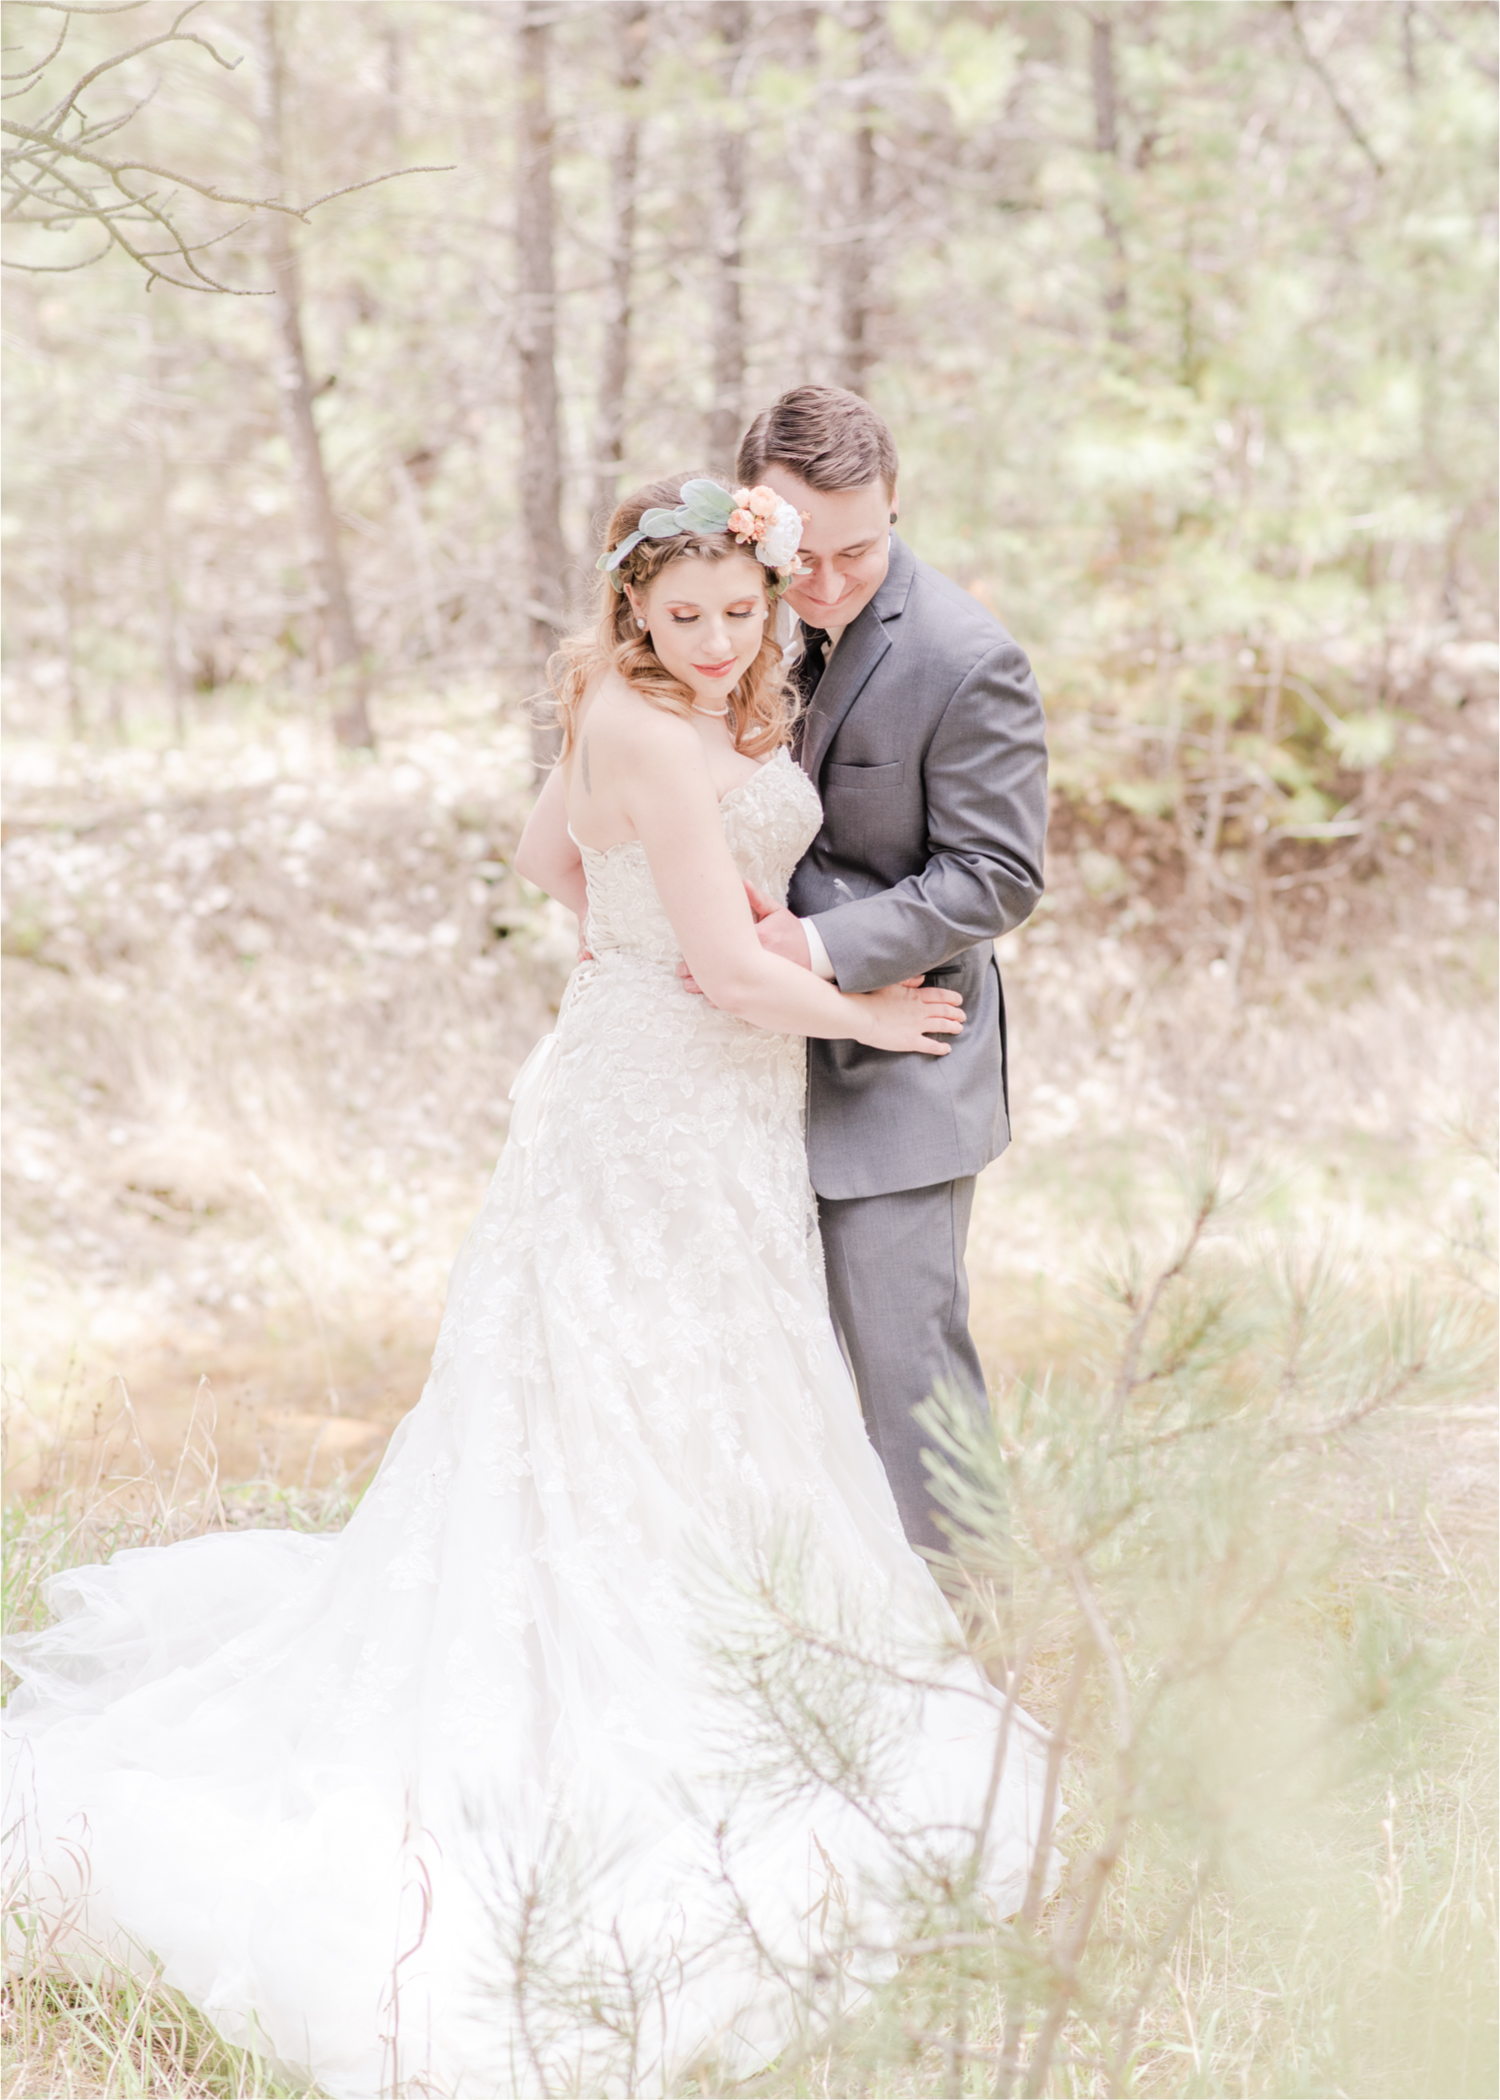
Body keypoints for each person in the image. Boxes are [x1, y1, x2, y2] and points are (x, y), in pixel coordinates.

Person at [4, 474, 1051, 2099]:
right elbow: (711, 966)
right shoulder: (634, 721)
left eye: (735, 614)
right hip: (666, 1086)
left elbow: (546, 854)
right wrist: (864, 1018)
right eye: (682, 616)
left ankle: (756, 1631)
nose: (714, 644)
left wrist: (619, 929)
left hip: (697, 1100)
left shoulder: (659, 708)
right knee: (613, 1370)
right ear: (631, 608)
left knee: (719, 1375)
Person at [728, 387, 1049, 1559]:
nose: (822, 583)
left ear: (897, 508)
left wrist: (809, 946)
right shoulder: (720, 616)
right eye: (798, 554)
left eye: (857, 551)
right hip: (730, 1068)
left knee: (908, 1382)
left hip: (896, 1070)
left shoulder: (968, 659)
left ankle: (973, 1654)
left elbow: (996, 875)